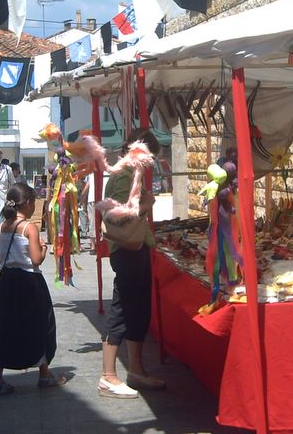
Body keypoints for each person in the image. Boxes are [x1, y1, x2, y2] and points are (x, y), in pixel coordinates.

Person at [0, 183, 63, 395]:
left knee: (3, 328)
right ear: (28, 204)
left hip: (7, 282)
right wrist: (43, 249)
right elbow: (36, 260)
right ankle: (44, 373)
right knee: (40, 325)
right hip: (29, 282)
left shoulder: (2, 226)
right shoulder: (29, 228)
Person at [99, 129, 165, 399]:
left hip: (136, 248)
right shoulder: (120, 176)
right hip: (126, 250)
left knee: (138, 310)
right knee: (122, 310)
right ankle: (108, 376)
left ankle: (136, 369)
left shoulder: (130, 174)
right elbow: (118, 218)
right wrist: (145, 204)